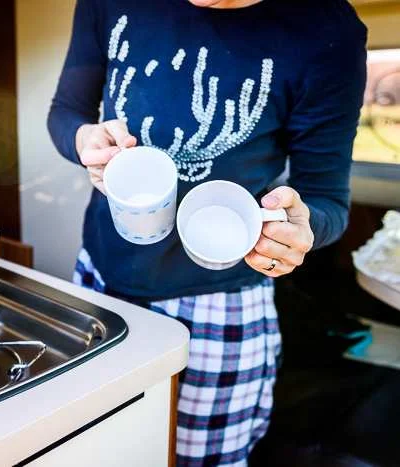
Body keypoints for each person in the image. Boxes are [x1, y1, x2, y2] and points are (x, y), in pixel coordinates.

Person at [47, 0, 367, 465]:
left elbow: (327, 200)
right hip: (99, 279)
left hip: (223, 302)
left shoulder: (326, 32)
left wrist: (302, 227)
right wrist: (82, 140)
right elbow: (66, 111)